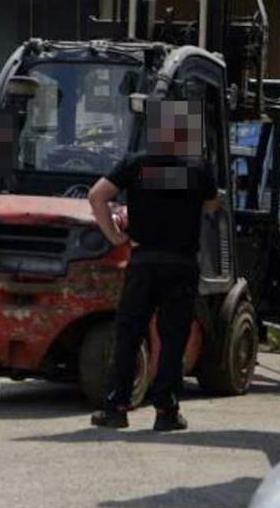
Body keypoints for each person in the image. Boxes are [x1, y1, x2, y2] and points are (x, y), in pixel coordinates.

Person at [87, 99, 219, 433]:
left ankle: (116, 408)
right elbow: (212, 204)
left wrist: (116, 236)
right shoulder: (198, 169)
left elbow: (96, 196)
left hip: (143, 261)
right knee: (173, 338)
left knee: (129, 334)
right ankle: (166, 411)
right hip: (181, 264)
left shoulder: (137, 164)